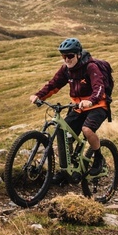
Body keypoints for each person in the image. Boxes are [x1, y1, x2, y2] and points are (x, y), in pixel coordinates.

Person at [29, 38, 110, 176]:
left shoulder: (91, 67)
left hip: (97, 105)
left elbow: (99, 87)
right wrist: (39, 96)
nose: (67, 59)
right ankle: (66, 171)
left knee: (87, 129)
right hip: (78, 107)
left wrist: (91, 101)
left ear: (78, 54)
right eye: (64, 56)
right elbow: (53, 85)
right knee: (62, 133)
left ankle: (98, 159)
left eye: (70, 56)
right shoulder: (66, 70)